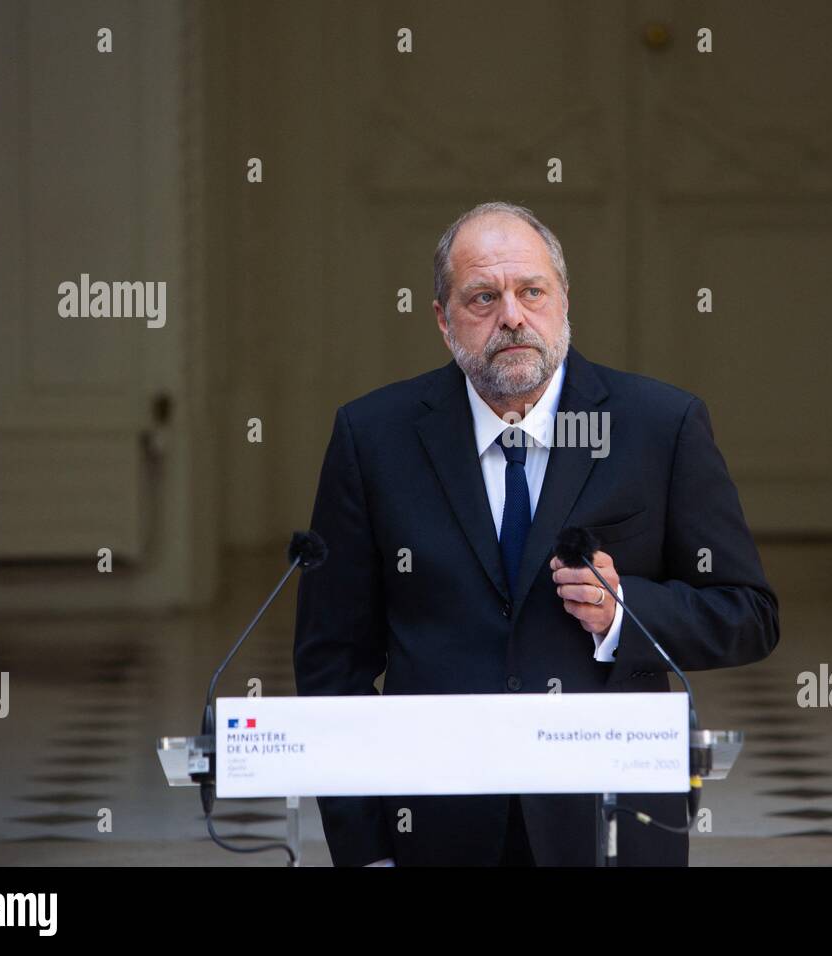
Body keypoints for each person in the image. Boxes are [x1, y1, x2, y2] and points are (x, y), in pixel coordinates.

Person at [294, 201, 778, 865]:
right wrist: (368, 849)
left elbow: (748, 614)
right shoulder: (373, 437)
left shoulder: (659, 425)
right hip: (436, 827)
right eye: (483, 297)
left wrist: (623, 613)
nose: (512, 316)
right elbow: (331, 663)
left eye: (531, 291)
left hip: (611, 820)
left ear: (564, 301)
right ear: (442, 319)